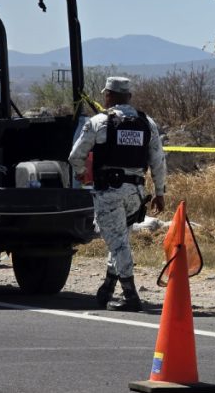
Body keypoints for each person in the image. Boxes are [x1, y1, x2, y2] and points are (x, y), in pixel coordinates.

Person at [69, 76, 166, 312]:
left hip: (109, 192)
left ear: (108, 96)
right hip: (136, 192)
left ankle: (131, 296)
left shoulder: (98, 122)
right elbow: (158, 160)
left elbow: (75, 156)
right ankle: (107, 289)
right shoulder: (146, 123)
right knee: (120, 240)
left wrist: (81, 174)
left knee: (118, 244)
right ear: (129, 97)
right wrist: (160, 192)